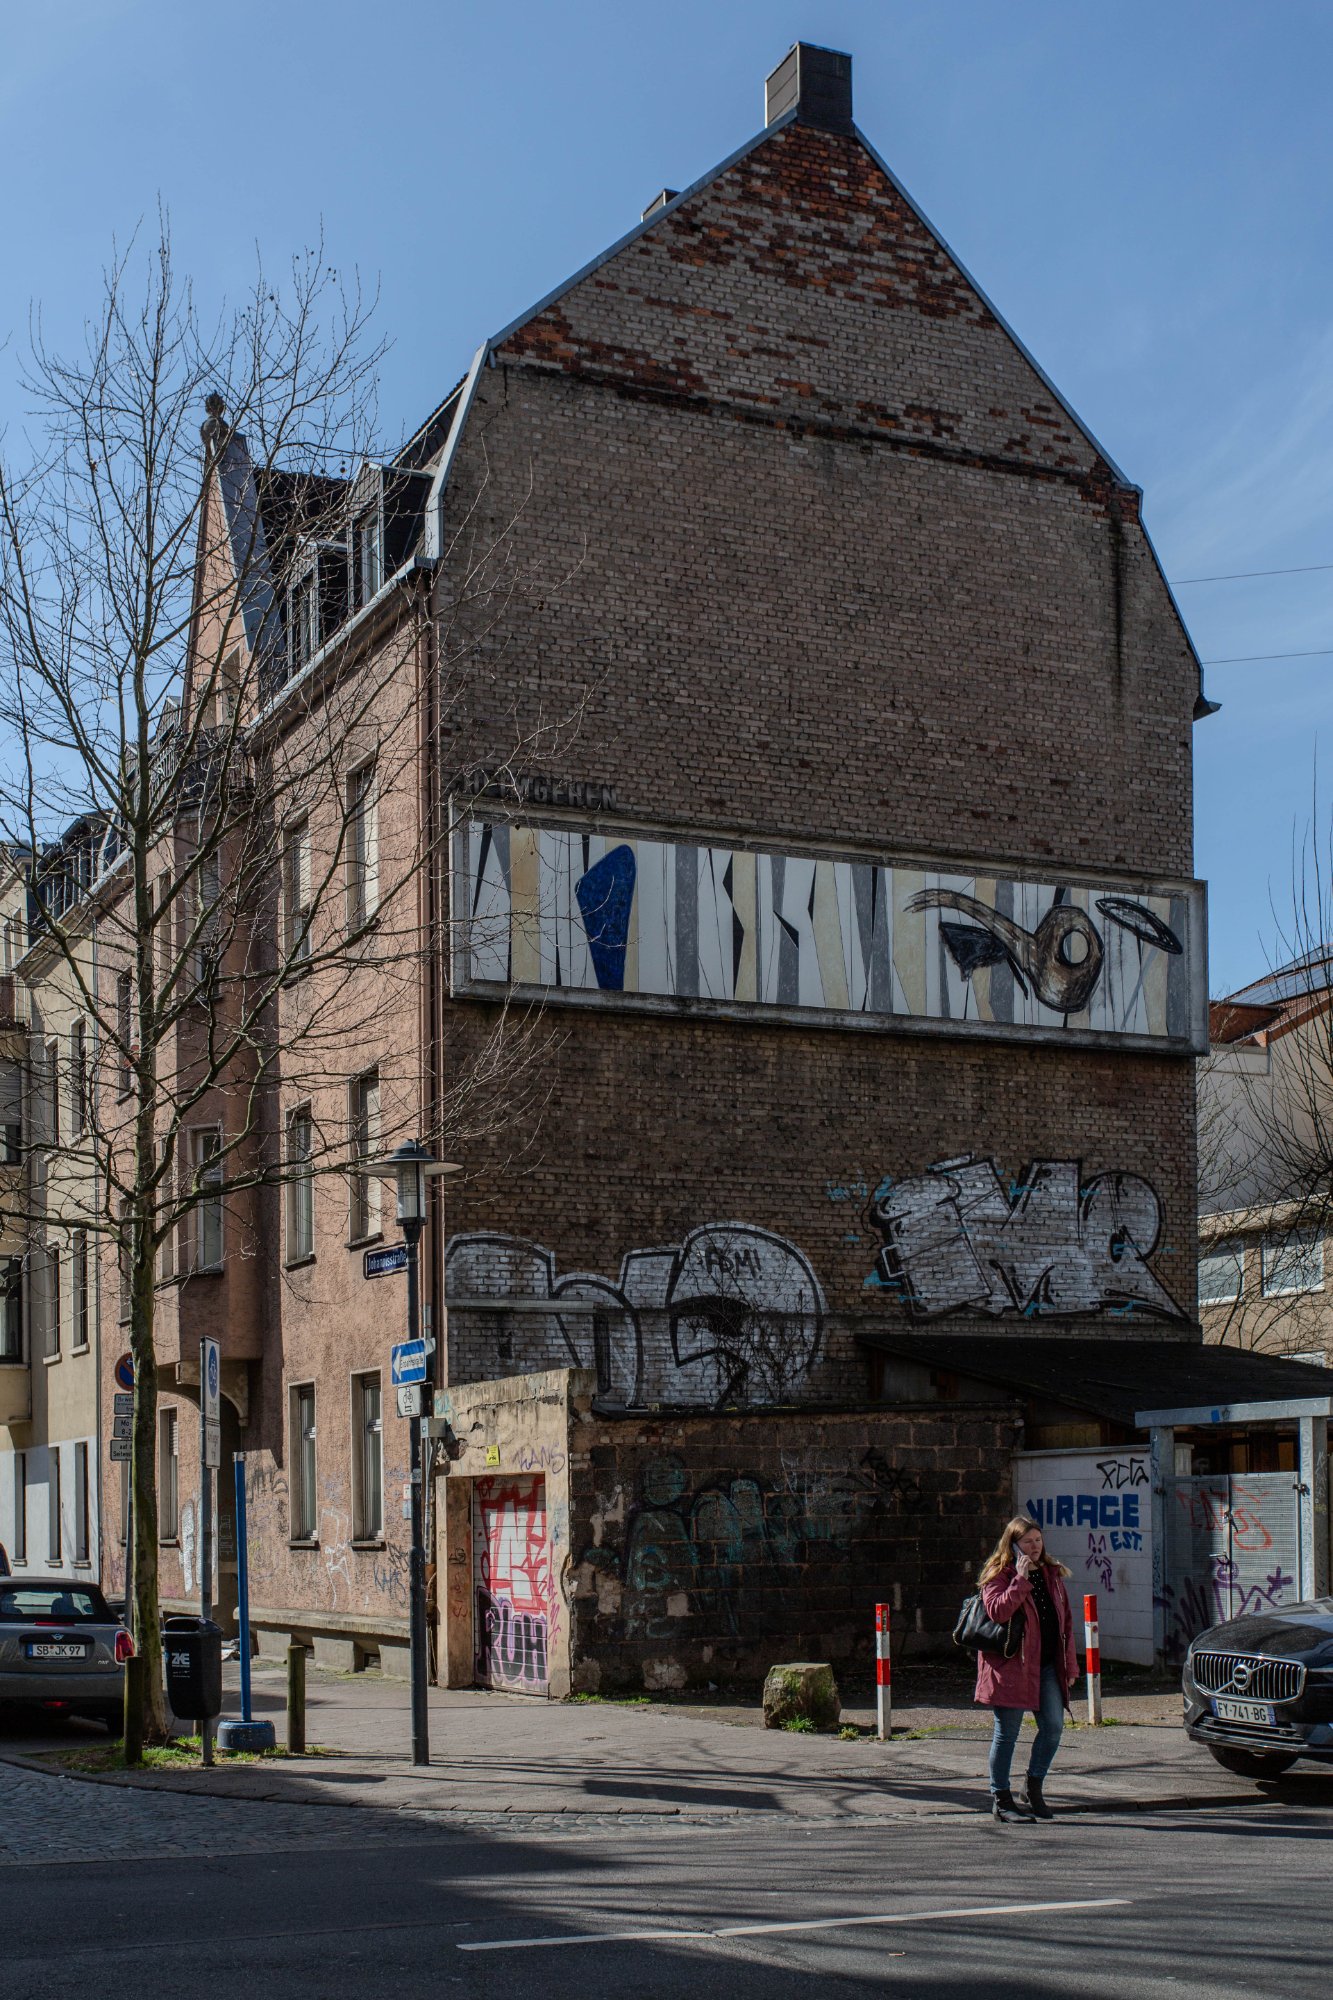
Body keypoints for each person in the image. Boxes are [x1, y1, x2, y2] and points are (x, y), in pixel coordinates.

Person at [975, 1514, 1080, 1822]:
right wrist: (1019, 1581)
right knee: (1006, 1734)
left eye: (1038, 1540)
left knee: (1053, 1728)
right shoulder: (999, 1574)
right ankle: (1001, 1799)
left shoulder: (1051, 1574)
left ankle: (1032, 1787)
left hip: (1047, 1667)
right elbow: (997, 1611)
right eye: (1027, 1542)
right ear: (1013, 1545)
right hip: (1011, 1668)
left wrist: (1070, 1666)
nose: (1035, 1547)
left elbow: (1065, 1624)